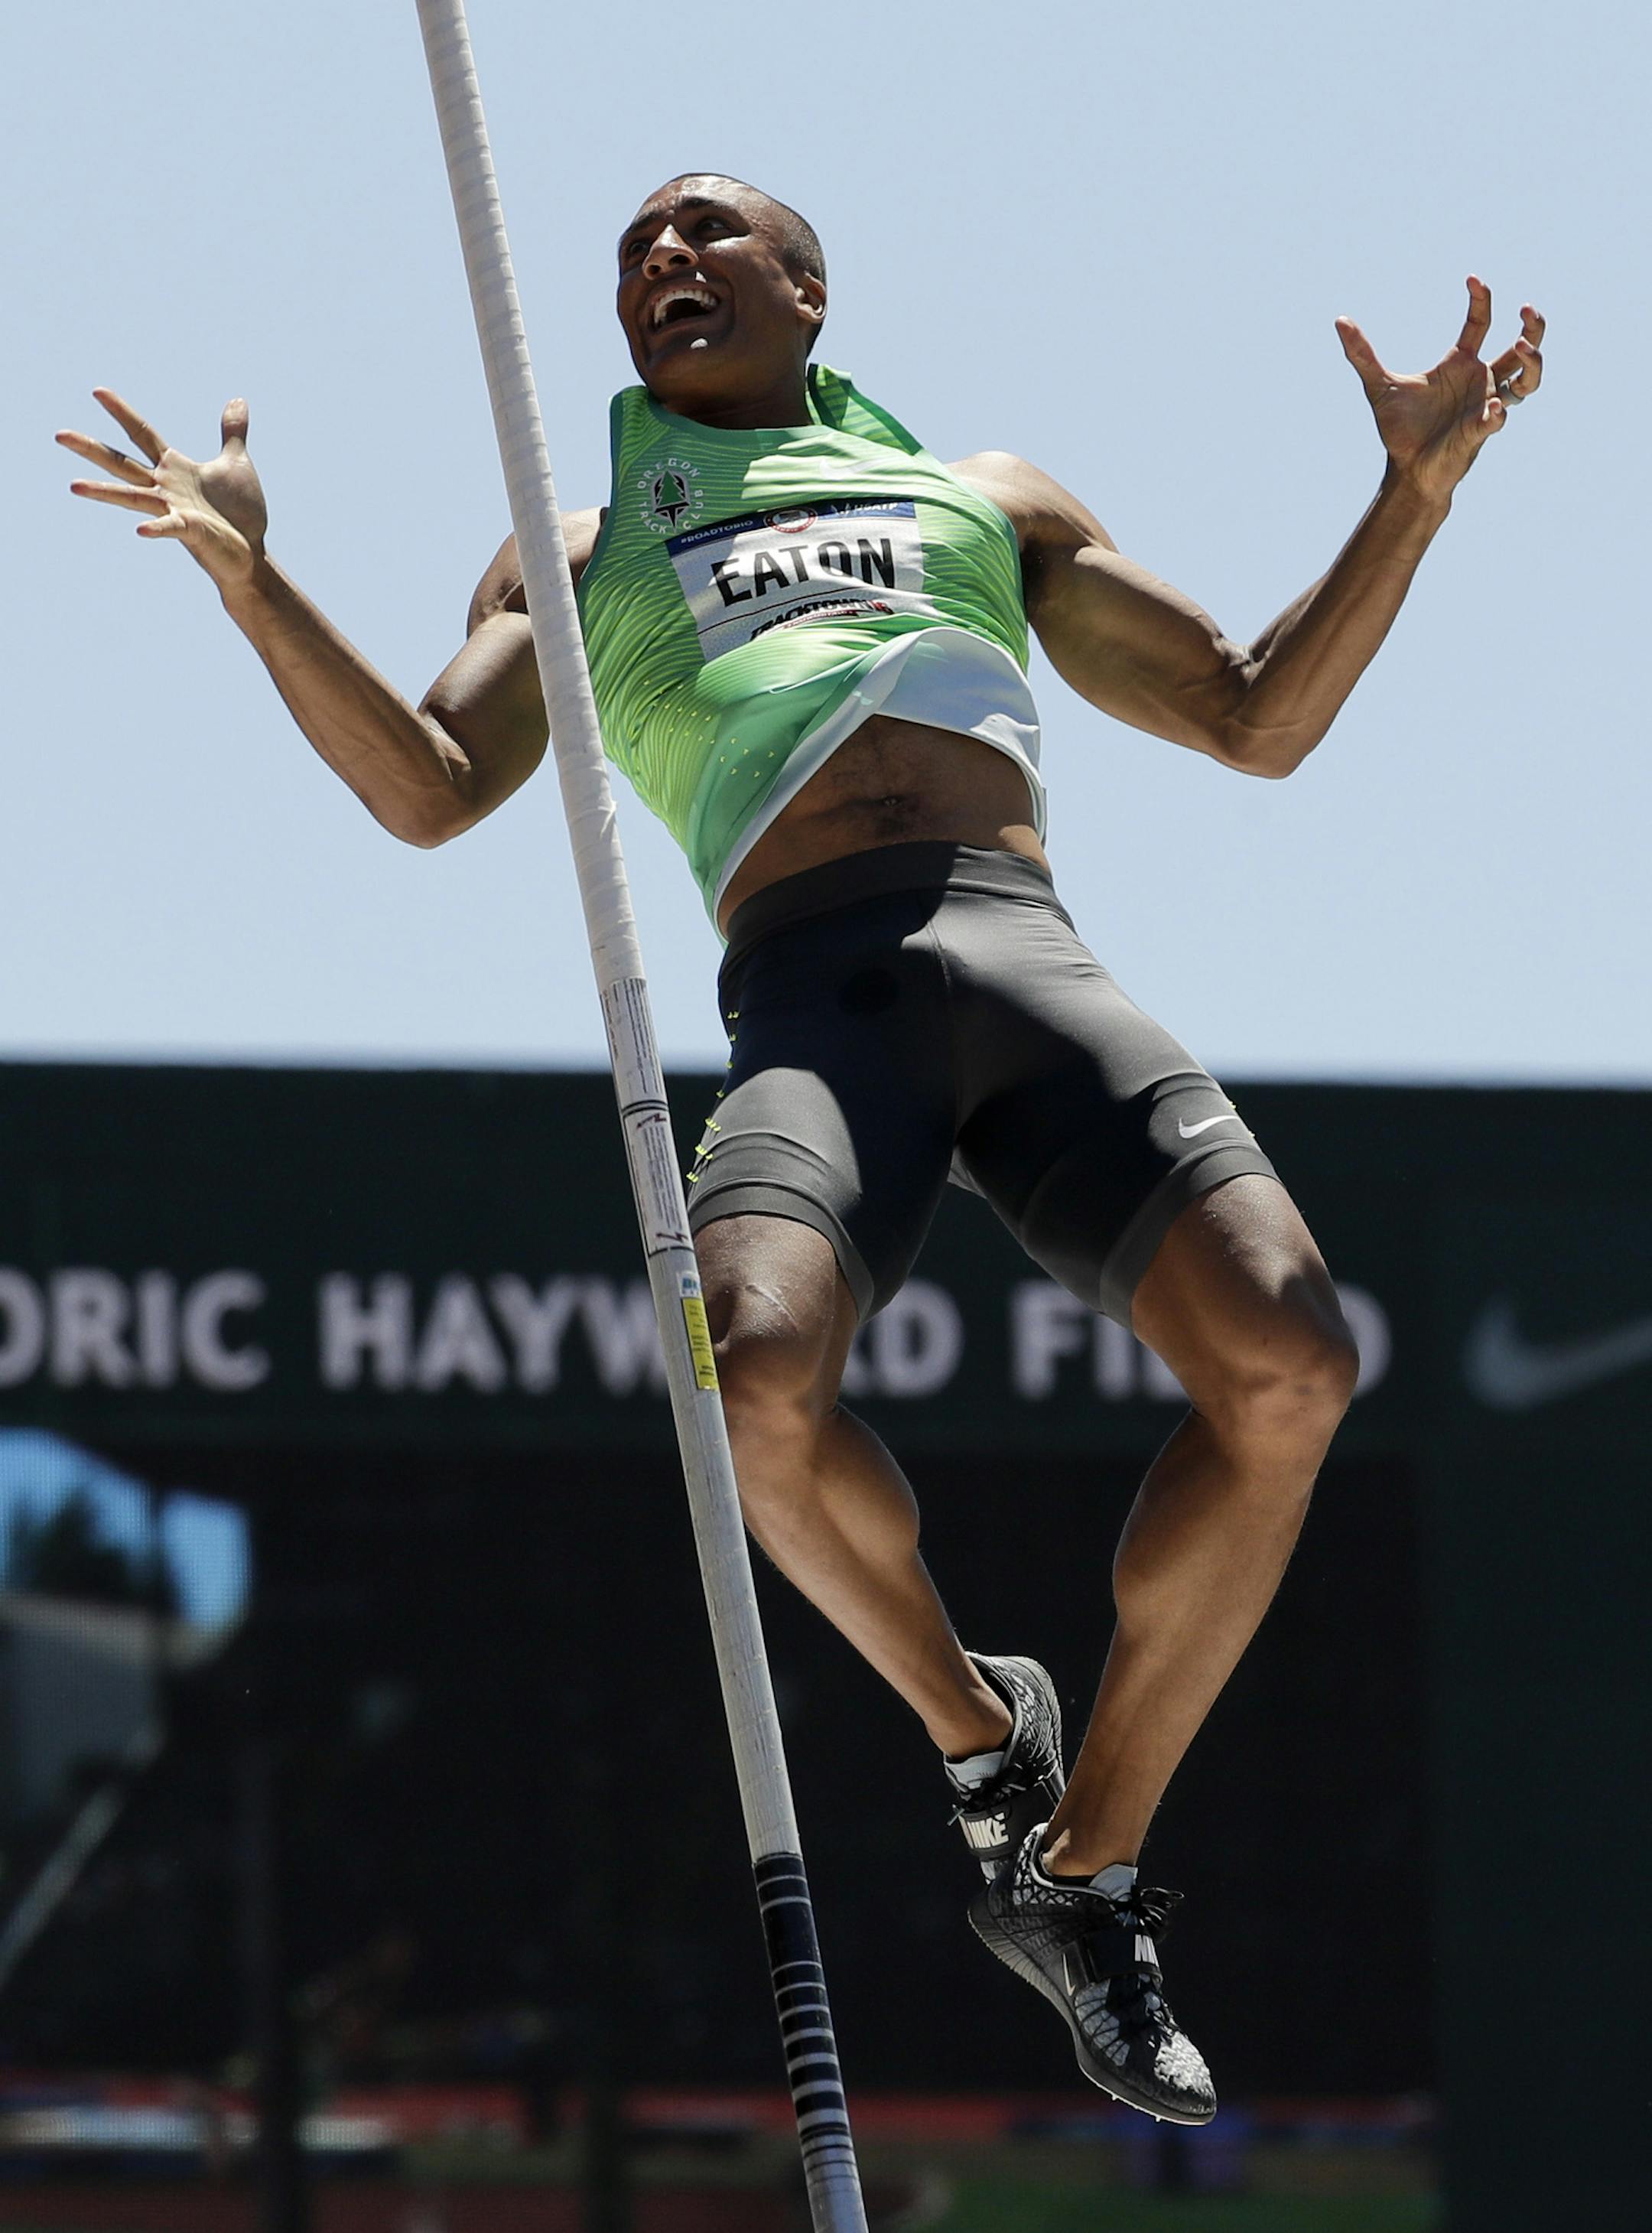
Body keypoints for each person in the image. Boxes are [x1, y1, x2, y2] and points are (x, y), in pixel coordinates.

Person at [59, 174, 1544, 2123]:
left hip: (1027, 960)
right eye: (632, 255)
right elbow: (430, 791)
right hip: (819, 1001)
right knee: (747, 1378)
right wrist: (258, 584)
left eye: (704, 234)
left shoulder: (984, 500)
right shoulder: (576, 545)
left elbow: (1259, 721)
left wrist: (1413, 497)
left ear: (808, 288)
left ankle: (1080, 1878)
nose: (659, 262)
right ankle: (976, 1730)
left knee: (1293, 1360)